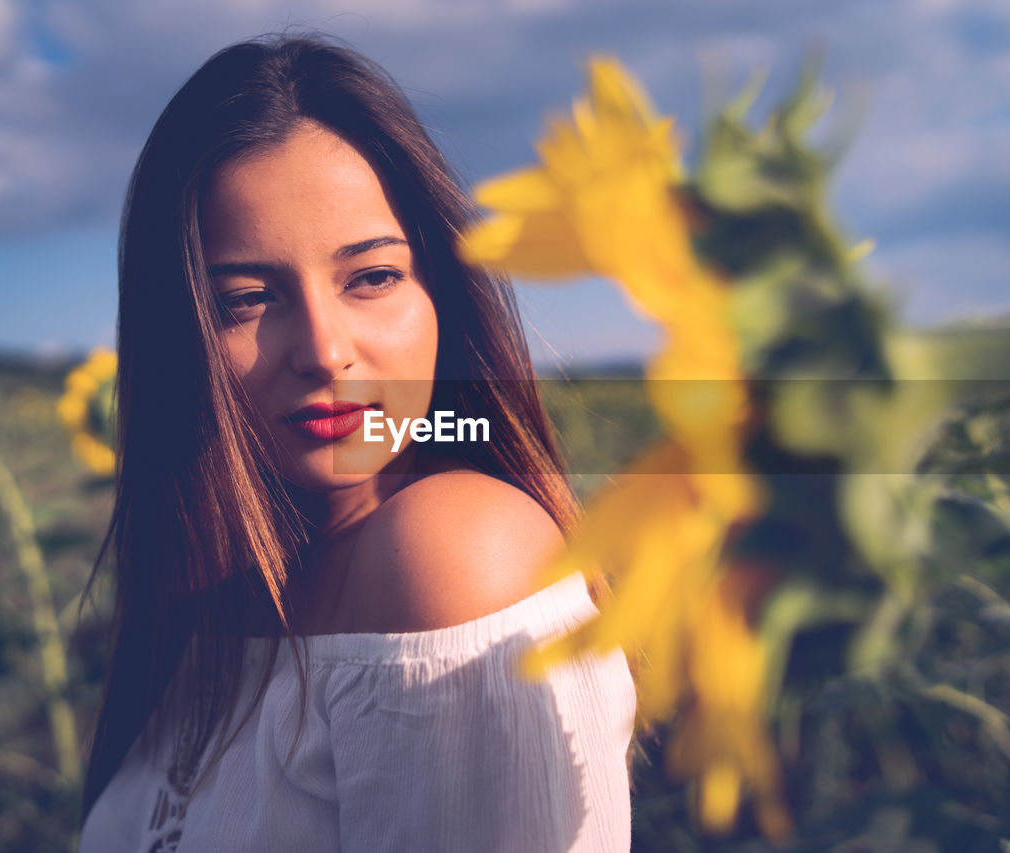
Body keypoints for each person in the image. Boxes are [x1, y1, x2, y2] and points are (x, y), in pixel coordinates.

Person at [77, 33, 636, 852]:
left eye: (372, 277)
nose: (325, 349)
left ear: (441, 290)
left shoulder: (453, 553)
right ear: (179, 338)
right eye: (244, 299)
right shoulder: (220, 597)